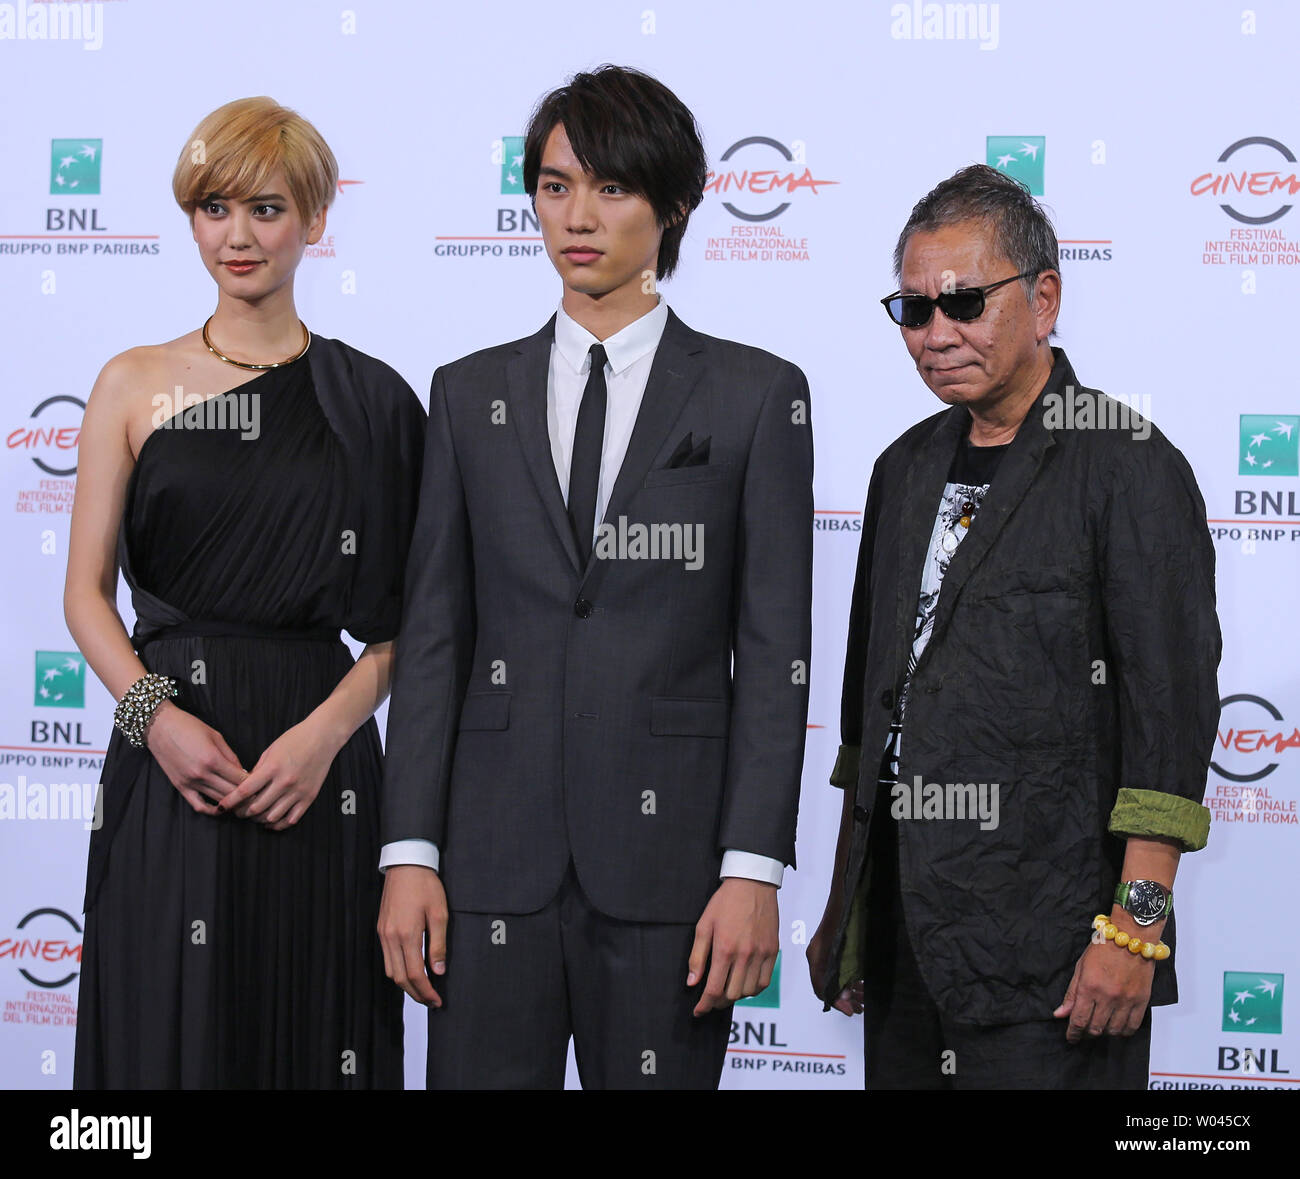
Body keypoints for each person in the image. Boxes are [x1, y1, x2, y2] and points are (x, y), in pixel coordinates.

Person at [377, 64, 813, 1090]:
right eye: (555, 184)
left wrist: (751, 869)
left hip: (672, 880)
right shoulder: (466, 393)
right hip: (488, 869)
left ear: (673, 206)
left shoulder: (757, 398)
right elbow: (435, 637)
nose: (577, 216)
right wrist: (408, 853)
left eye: (612, 188)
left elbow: (773, 651)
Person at [806, 164, 1221, 1090]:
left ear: (1045, 299)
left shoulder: (1129, 464)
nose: (936, 333)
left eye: (962, 302)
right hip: (910, 940)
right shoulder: (902, 469)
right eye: (913, 310)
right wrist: (850, 908)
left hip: (1060, 953)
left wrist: (1135, 930)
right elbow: (872, 720)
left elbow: (1170, 719)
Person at [66, 96, 423, 1088]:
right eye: (213, 207)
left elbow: (405, 628)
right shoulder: (131, 384)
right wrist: (155, 720)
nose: (237, 234)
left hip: (321, 764)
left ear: (314, 221)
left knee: (313, 1023)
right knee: (164, 1034)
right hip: (170, 748)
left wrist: (322, 740)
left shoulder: (374, 400)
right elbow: (86, 598)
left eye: (266, 209)